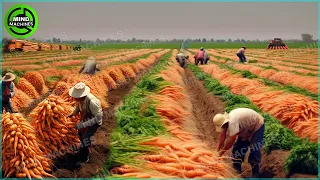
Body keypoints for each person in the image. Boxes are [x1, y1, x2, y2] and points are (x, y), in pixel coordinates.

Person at [212, 108, 265, 178]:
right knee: (238, 149)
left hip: (257, 126)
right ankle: (237, 170)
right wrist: (217, 150)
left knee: (254, 150)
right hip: (245, 128)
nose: (223, 128)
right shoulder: (225, 122)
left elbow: (231, 141)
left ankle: (255, 174)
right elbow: (222, 136)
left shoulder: (232, 122)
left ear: (225, 123)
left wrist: (221, 153)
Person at [67, 82, 103, 167]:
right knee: (80, 134)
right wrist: (73, 113)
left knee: (85, 138)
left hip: (94, 122)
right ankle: (85, 149)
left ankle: (84, 158)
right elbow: (78, 107)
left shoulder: (93, 102)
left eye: (76, 97)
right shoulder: (80, 99)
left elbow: (98, 117)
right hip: (85, 120)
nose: (74, 98)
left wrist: (82, 125)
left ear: (82, 95)